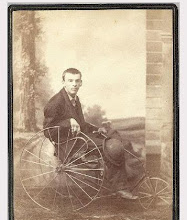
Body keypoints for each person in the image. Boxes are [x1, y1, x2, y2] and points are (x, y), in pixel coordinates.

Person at [43, 68, 137, 199]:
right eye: (70, 81)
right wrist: (68, 122)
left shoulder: (75, 100)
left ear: (81, 82)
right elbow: (48, 130)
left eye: (77, 81)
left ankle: (122, 176)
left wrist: (96, 128)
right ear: (63, 82)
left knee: (111, 136)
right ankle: (119, 186)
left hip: (79, 138)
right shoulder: (56, 102)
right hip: (68, 144)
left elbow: (81, 125)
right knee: (111, 147)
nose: (74, 84)